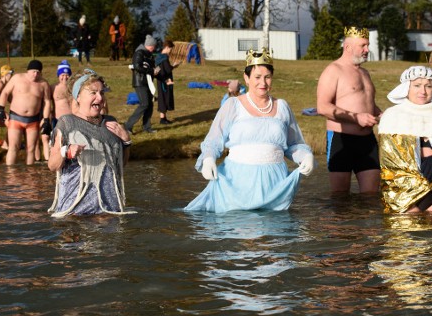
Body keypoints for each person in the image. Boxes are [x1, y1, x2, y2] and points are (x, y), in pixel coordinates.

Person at [185, 48, 315, 213]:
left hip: (275, 183)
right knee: (244, 230)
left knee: (274, 233)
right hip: (237, 182)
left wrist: (306, 156)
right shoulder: (233, 105)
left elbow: (294, 143)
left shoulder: (282, 106)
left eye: (267, 77)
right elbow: (214, 139)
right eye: (257, 77)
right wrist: (208, 159)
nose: (263, 83)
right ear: (246, 78)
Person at [47, 68, 134, 217]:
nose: (100, 98)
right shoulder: (67, 123)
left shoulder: (111, 123)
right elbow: (52, 165)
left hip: (108, 211)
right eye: (93, 93)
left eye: (102, 93)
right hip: (75, 212)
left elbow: (121, 164)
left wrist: (126, 142)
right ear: (78, 97)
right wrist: (65, 152)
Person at [378, 66, 432, 213]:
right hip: (404, 188)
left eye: (428, 86)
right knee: (406, 229)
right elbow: (389, 159)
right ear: (407, 88)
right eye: (417, 86)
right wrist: (422, 154)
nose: (423, 91)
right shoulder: (392, 116)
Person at [316, 26, 382, 194]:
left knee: (371, 196)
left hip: (367, 141)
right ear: (347, 47)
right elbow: (322, 107)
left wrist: (382, 115)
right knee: (340, 199)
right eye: (363, 46)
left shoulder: (365, 73)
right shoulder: (333, 70)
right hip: (341, 140)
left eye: (368, 45)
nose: (367, 50)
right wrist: (356, 118)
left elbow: (368, 104)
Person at [0, 59, 53, 166]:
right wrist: (1, 108)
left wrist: (46, 119)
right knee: (13, 147)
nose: (35, 74)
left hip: (33, 121)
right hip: (15, 119)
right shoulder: (17, 78)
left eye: (38, 72)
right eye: (33, 71)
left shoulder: (43, 84)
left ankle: (29, 175)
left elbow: (47, 102)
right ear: (28, 70)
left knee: (31, 149)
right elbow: (5, 92)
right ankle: (10, 174)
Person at [125, 35, 160, 135]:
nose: (155, 48)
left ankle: (147, 127)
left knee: (150, 105)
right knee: (144, 104)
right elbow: (137, 66)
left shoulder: (149, 54)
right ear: (150, 45)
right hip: (140, 82)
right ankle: (128, 126)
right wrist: (151, 71)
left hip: (148, 83)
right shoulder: (139, 53)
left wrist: (156, 72)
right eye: (154, 46)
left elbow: (152, 67)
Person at [157, 40, 182, 125]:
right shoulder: (164, 58)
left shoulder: (159, 57)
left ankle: (163, 117)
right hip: (165, 81)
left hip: (161, 80)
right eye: (170, 49)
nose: (171, 51)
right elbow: (167, 69)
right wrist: (174, 66)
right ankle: (162, 119)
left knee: (162, 98)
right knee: (164, 98)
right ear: (167, 47)